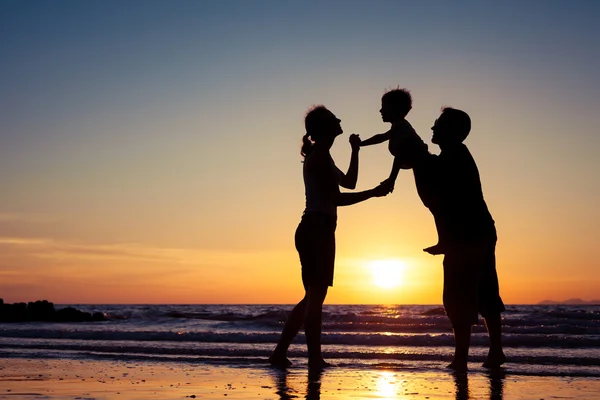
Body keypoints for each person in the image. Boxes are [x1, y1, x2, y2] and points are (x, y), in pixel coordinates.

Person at [269, 105, 391, 370]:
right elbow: (338, 198)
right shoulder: (319, 158)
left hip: (319, 229)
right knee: (315, 297)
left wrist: (355, 151)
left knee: (311, 298)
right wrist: (373, 194)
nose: (339, 119)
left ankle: (281, 353)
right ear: (324, 128)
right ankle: (314, 359)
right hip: (316, 229)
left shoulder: (324, 156)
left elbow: (349, 183)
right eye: (334, 118)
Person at [413, 107, 506, 371]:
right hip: (480, 231)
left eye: (438, 125)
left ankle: (461, 359)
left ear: (453, 131)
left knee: (458, 295)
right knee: (486, 291)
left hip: (467, 236)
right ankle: (495, 352)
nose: (433, 129)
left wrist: (418, 159)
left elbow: (434, 198)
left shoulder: (453, 157)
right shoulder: (455, 156)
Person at [359, 88, 428, 189]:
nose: (380, 110)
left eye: (383, 107)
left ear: (394, 109)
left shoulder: (401, 127)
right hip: (423, 169)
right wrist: (361, 144)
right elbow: (381, 137)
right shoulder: (398, 127)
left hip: (426, 169)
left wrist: (392, 179)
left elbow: (401, 154)